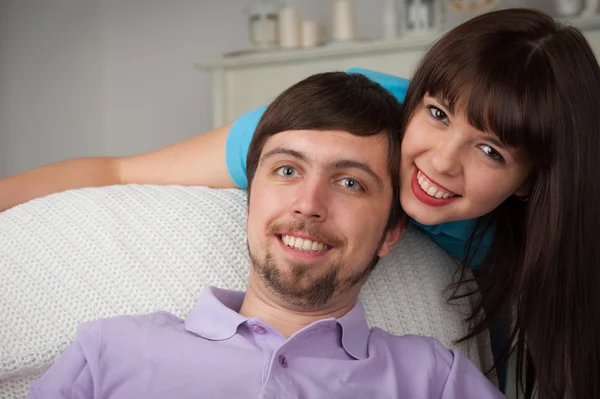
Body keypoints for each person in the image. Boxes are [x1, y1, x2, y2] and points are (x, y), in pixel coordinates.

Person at [4, 7, 599, 398]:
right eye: (437, 115)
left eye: (491, 150)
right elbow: (114, 170)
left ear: (532, 181)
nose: (441, 162)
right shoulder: (313, 128)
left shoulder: (438, 373)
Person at [26, 72, 503, 399]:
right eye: (287, 170)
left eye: (350, 182)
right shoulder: (108, 352)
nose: (308, 204)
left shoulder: (434, 380)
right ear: (250, 200)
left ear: (390, 234)